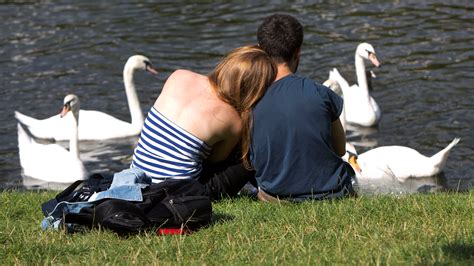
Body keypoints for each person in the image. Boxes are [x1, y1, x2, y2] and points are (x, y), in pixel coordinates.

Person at [130, 45, 277, 200]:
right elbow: (215, 163)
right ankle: (269, 191)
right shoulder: (233, 120)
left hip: (137, 180)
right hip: (178, 195)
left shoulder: (178, 75)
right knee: (250, 149)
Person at [250, 14, 356, 201]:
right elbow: (340, 149)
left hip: (274, 195)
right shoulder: (321, 93)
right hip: (331, 194)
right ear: (298, 52)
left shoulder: (251, 98)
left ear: (260, 50)